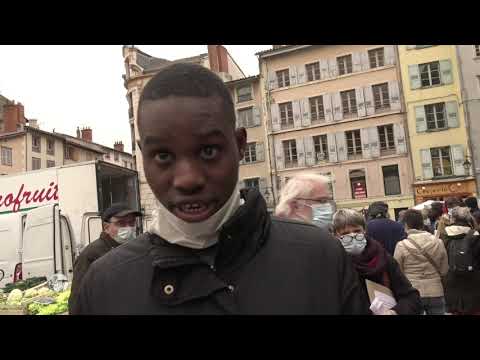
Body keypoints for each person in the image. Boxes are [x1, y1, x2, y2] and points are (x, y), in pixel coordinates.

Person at [70, 63, 370, 315]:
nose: (187, 179)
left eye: (209, 151)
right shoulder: (103, 286)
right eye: (163, 156)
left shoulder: (320, 258)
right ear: (142, 155)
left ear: (240, 145)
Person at [333, 209, 422, 315]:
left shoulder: (383, 258)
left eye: (357, 231)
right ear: (336, 235)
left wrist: (394, 312)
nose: (353, 236)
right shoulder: (334, 264)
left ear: (364, 230)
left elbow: (411, 296)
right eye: (345, 233)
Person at [68, 204, 141, 311]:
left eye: (132, 223)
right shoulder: (91, 254)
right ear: (106, 227)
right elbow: (78, 298)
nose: (128, 228)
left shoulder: (135, 249)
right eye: (121, 223)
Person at [394, 209, 448, 315]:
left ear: (405, 225)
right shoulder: (438, 242)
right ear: (422, 223)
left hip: (413, 291)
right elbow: (444, 270)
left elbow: (398, 273)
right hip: (435, 290)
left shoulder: (401, 245)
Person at [441, 207, 480, 315]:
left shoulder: (444, 235)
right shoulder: (475, 235)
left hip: (451, 281)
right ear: (469, 219)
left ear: (452, 218)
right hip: (473, 283)